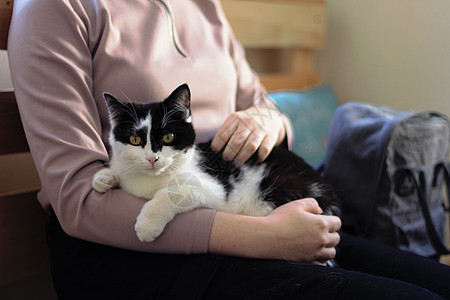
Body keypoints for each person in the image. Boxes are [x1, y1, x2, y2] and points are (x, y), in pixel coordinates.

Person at [8, 0, 450, 299]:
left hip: (247, 202)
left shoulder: (205, 6)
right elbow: (78, 199)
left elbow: (263, 107)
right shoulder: (58, 8)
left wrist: (269, 120)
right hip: (123, 244)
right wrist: (264, 238)